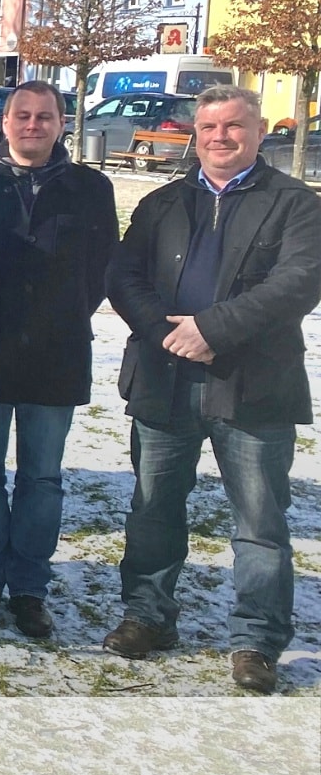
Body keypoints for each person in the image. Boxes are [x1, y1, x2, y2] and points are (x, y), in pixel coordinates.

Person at [102, 85, 321, 694]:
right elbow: (124, 275)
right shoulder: (164, 202)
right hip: (164, 379)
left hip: (252, 386)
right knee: (153, 508)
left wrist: (212, 332)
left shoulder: (295, 203)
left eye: (233, 127)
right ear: (194, 134)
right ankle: (148, 616)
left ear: (257, 132)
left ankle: (256, 640)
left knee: (258, 521)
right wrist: (165, 334)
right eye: (208, 128)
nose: (220, 137)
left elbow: (300, 282)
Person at [0, 80, 116, 639]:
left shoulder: (92, 188)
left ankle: (29, 589)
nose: (33, 125)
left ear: (62, 123)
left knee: (42, 478)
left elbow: (100, 272)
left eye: (46, 116)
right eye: (23, 115)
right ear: (5, 121)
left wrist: (55, 318)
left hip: (56, 354)